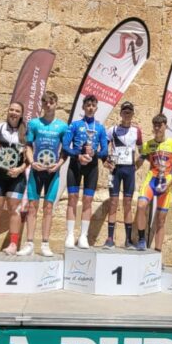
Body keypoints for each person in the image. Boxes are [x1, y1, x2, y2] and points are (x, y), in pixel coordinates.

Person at [22, 91, 69, 257]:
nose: (48, 105)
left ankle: (45, 244)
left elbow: (66, 150)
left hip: (52, 172)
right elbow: (28, 145)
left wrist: (59, 165)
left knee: (48, 208)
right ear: (41, 104)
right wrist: (31, 161)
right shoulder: (34, 124)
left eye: (51, 102)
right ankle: (28, 243)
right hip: (37, 170)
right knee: (32, 207)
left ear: (56, 104)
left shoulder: (63, 126)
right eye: (45, 102)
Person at [63, 95, 109, 249]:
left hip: (92, 166)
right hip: (75, 164)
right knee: (72, 198)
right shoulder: (75, 125)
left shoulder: (100, 128)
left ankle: (83, 236)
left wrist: (94, 153)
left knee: (88, 200)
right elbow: (65, 146)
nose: (90, 107)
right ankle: (70, 235)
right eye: (88, 105)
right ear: (83, 107)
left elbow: (105, 151)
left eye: (93, 105)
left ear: (96, 108)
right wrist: (78, 154)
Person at [133, 114, 172, 252]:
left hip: (166, 183)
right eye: (155, 125)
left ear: (165, 126)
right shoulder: (148, 144)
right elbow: (139, 162)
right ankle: (142, 239)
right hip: (152, 180)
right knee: (141, 205)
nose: (157, 128)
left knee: (161, 219)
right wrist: (127, 166)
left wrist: (171, 182)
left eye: (160, 125)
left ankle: (157, 251)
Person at [0, 101, 29, 254]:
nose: (14, 113)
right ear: (8, 111)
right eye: (11, 109)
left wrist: (20, 169)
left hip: (16, 176)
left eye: (17, 110)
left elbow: (29, 157)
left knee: (15, 210)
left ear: (21, 114)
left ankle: (13, 244)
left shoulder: (26, 132)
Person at [103, 101, 143, 249]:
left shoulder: (136, 131)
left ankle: (128, 240)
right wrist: (106, 161)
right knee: (113, 202)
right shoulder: (112, 130)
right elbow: (103, 148)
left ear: (132, 114)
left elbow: (143, 152)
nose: (127, 114)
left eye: (129, 112)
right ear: (120, 113)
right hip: (115, 171)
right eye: (124, 111)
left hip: (129, 171)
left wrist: (135, 166)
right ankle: (109, 239)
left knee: (127, 203)